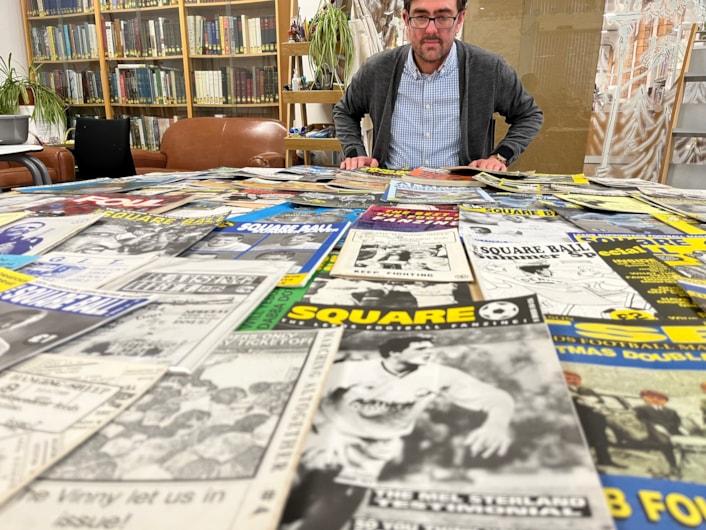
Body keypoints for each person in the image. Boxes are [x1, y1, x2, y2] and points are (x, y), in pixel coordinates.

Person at [281, 334, 514, 529]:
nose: (428, 352)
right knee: (287, 502)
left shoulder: (437, 375)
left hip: (374, 447)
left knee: (333, 514)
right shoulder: (351, 370)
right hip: (326, 433)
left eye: (430, 348)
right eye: (420, 348)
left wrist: (496, 424)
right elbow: (299, 392)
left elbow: (497, 397)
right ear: (395, 353)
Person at [333, 0, 542, 171]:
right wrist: (354, 153)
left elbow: (529, 115)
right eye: (421, 17)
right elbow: (345, 111)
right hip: (392, 194)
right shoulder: (378, 70)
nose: (431, 30)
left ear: (460, 20)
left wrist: (500, 156)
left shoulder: (489, 69)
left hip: (462, 194)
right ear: (406, 19)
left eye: (443, 17)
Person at [563, 370, 626, 469]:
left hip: (596, 418)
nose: (572, 380)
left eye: (575, 378)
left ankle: (605, 460)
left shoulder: (586, 389)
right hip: (579, 419)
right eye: (569, 378)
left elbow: (600, 401)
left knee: (601, 440)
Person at [634, 389, 686, 477]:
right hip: (652, 430)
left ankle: (683, 464)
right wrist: (656, 426)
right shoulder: (642, 409)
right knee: (664, 441)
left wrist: (675, 429)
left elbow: (677, 422)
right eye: (653, 398)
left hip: (670, 430)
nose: (656, 400)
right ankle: (673, 466)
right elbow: (640, 421)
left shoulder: (671, 411)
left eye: (661, 398)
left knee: (687, 441)